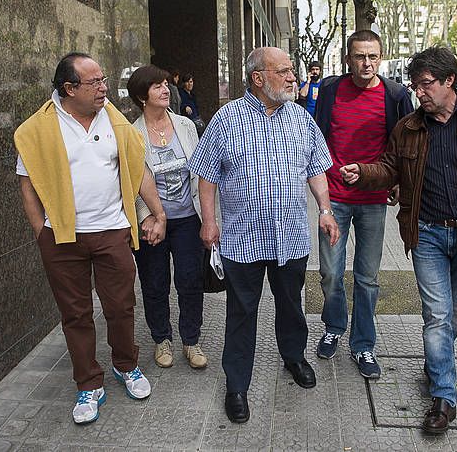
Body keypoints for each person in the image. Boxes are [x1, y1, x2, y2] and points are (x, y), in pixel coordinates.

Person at [339, 47, 457, 434]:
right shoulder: (408, 127)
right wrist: (364, 173)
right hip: (427, 234)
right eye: (416, 85)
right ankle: (443, 399)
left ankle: (436, 365)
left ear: (448, 81)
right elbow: (390, 167)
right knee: (436, 315)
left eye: (425, 84)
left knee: (452, 316)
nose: (419, 92)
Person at [188, 47, 339, 424]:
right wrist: (209, 221)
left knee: (292, 304)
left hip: (290, 236)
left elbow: (316, 169)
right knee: (242, 313)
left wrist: (324, 209)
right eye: (284, 71)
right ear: (259, 78)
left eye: (293, 71)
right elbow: (206, 176)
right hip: (243, 238)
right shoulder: (226, 119)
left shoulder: (302, 120)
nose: (293, 78)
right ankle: (237, 385)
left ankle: (294, 357)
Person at [14, 52, 167, 424]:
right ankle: (88, 383)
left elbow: (138, 170)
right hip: (62, 238)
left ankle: (126, 365)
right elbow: (27, 183)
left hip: (112, 231)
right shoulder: (38, 129)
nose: (104, 88)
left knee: (120, 306)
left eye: (103, 79)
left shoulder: (115, 123)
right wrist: (41, 233)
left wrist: (158, 213)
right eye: (94, 82)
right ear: (69, 88)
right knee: (76, 314)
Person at [312, 30, 414, 379]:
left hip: (373, 199)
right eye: (359, 56)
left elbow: (404, 144)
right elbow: (317, 135)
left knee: (367, 277)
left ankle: (363, 344)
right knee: (329, 273)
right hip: (334, 198)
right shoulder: (329, 90)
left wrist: (397, 180)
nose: (366, 63)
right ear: (348, 59)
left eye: (372, 56)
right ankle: (334, 326)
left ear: (380, 58)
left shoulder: (395, 95)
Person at [126, 65, 208, 371]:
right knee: (154, 282)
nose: (164, 90)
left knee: (190, 280)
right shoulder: (132, 134)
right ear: (141, 96)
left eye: (164, 84)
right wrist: (146, 216)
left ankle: (191, 339)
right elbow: (129, 182)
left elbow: (200, 171)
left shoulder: (185, 125)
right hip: (151, 222)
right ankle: (162, 339)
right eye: (156, 86)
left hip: (188, 218)